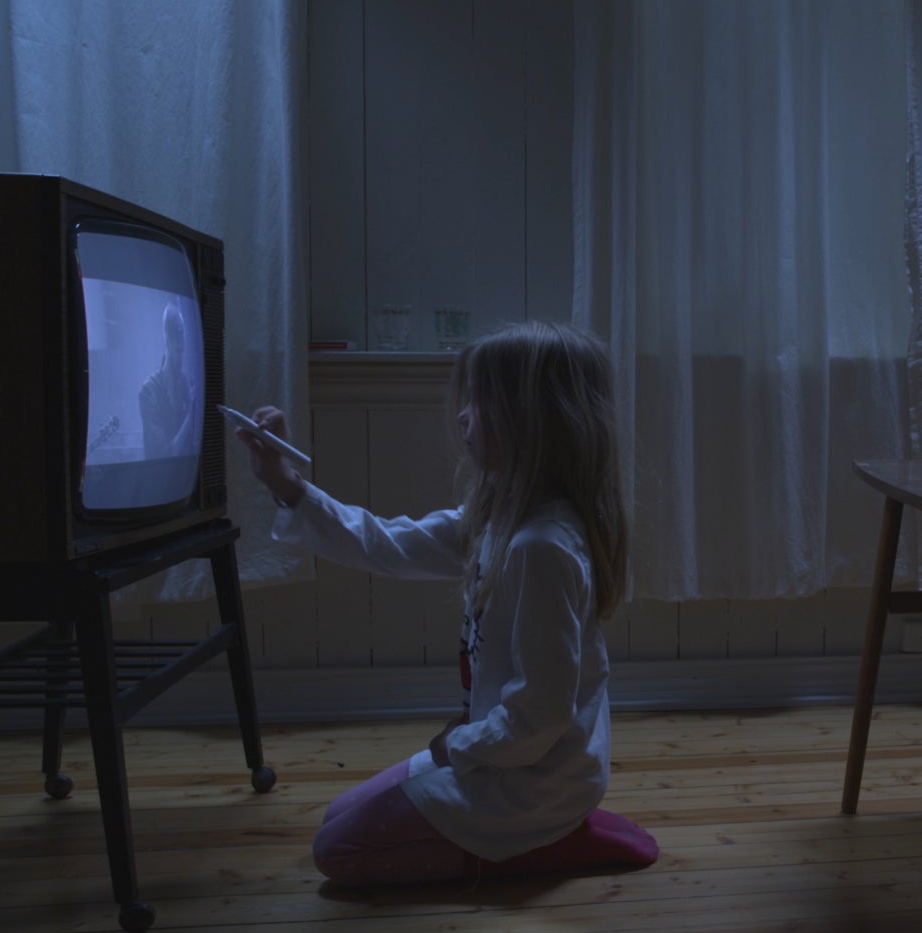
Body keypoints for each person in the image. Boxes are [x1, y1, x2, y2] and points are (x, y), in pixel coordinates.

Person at [235, 321, 659, 886]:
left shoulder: (540, 547)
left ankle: (544, 842)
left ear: (534, 421)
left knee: (336, 854)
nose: (463, 416)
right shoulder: (499, 520)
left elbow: (539, 717)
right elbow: (386, 544)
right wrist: (286, 485)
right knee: (340, 818)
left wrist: (455, 743)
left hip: (534, 778)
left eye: (481, 402)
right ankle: (536, 833)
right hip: (506, 754)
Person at [138, 302, 201, 459]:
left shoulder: (185, 384)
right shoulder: (148, 392)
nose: (181, 357)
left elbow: (190, 446)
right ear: (167, 342)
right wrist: (189, 416)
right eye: (177, 350)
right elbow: (161, 455)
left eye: (183, 349)